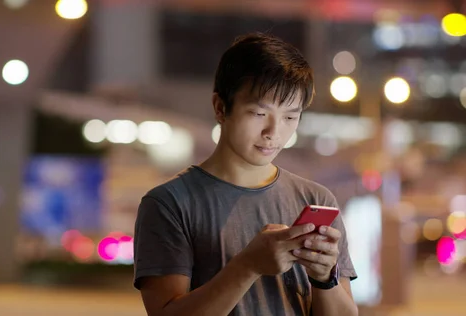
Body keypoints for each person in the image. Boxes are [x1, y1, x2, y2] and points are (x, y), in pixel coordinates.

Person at [133, 33, 358, 316]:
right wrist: (248, 266)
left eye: (290, 117)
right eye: (259, 113)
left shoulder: (315, 199)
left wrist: (325, 278)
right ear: (220, 107)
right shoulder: (169, 204)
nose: (274, 133)